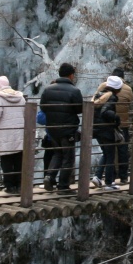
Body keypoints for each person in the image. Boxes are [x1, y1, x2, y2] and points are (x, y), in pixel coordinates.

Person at [38, 62, 83, 192]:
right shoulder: (75, 91)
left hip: (52, 129)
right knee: (68, 157)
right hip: (68, 129)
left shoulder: (48, 89)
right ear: (71, 75)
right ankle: (63, 186)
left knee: (57, 154)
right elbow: (79, 109)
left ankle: (49, 176)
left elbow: (43, 108)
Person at [95, 67, 133, 184]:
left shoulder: (102, 87)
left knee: (107, 152)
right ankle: (123, 177)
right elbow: (130, 101)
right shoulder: (128, 89)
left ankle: (105, 176)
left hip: (104, 125)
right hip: (122, 124)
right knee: (122, 150)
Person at [91, 76, 123, 190]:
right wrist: (116, 117)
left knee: (105, 153)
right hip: (106, 130)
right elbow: (106, 112)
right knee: (110, 155)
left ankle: (98, 177)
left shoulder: (99, 95)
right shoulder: (111, 97)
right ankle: (109, 183)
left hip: (97, 129)